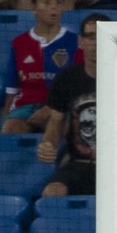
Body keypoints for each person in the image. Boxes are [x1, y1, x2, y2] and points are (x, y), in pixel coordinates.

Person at [0, 0, 80, 135]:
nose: (53, 7)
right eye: (46, 2)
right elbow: (12, 88)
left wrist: (51, 109)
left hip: (60, 107)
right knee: (10, 129)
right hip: (25, 107)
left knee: (57, 129)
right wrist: (5, 118)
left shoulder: (75, 42)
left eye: (58, 3)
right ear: (34, 8)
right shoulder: (19, 43)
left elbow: (76, 86)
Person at [37, 13, 99, 197]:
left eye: (102, 36)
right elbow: (56, 123)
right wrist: (48, 144)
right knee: (52, 192)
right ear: (80, 42)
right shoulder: (66, 79)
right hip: (78, 164)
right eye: (90, 36)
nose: (96, 42)